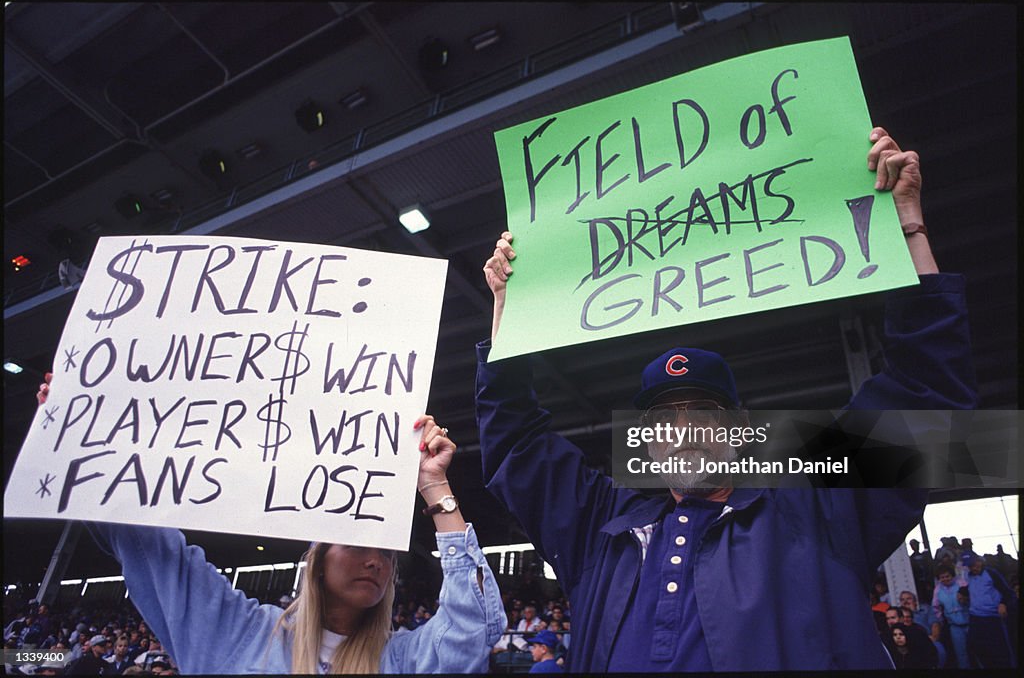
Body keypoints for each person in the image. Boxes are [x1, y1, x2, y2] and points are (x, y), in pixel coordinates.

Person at [476, 128, 978, 671]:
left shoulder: (813, 510)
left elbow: (926, 399)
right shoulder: (600, 529)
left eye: (705, 412)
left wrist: (906, 223)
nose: (684, 428)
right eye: (664, 416)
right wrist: (511, 306)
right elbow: (517, 445)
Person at [37, 385, 505, 674]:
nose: (376, 561)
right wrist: (85, 429)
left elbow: (476, 627)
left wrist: (435, 487)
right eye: (359, 543)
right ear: (317, 559)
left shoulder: (403, 659)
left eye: (387, 554)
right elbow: (153, 551)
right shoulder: (238, 631)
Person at [964, 553, 1016, 668]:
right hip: (975, 618)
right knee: (976, 648)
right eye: (970, 566)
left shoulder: (991, 573)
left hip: (992, 618)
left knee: (1000, 649)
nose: (973, 568)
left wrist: (1003, 603)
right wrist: (961, 593)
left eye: (974, 565)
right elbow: (969, 589)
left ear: (979, 561)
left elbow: (1008, 593)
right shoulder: (969, 576)